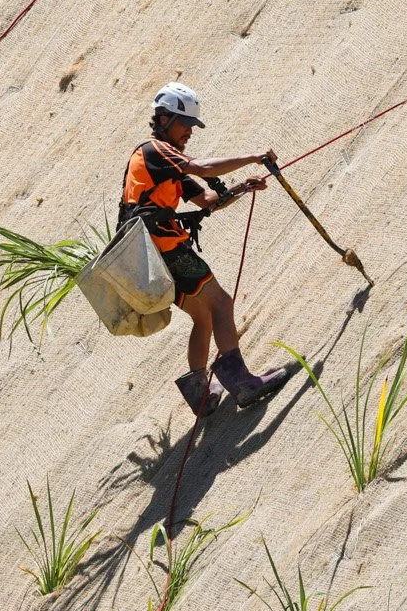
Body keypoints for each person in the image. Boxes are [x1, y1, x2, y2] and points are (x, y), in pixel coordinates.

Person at [119, 83, 290, 416]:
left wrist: (243, 187)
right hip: (166, 250)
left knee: (203, 315)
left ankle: (200, 395)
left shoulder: (167, 165)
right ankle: (242, 383)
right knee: (221, 303)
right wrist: (252, 157)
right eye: (185, 124)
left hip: (150, 257)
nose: (190, 132)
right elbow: (204, 168)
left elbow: (208, 201)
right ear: (164, 119)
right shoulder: (154, 151)